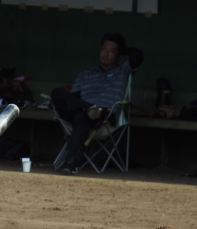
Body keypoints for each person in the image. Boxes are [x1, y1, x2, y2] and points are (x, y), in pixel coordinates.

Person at [50, 33, 143, 174]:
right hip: (82, 109)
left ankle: (70, 162)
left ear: (119, 56)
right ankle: (89, 108)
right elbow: (73, 98)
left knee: (81, 118)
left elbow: (138, 55)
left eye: (111, 51)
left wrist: (124, 51)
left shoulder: (123, 71)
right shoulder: (86, 73)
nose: (106, 53)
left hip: (105, 114)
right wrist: (84, 107)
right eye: (104, 49)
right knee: (57, 93)